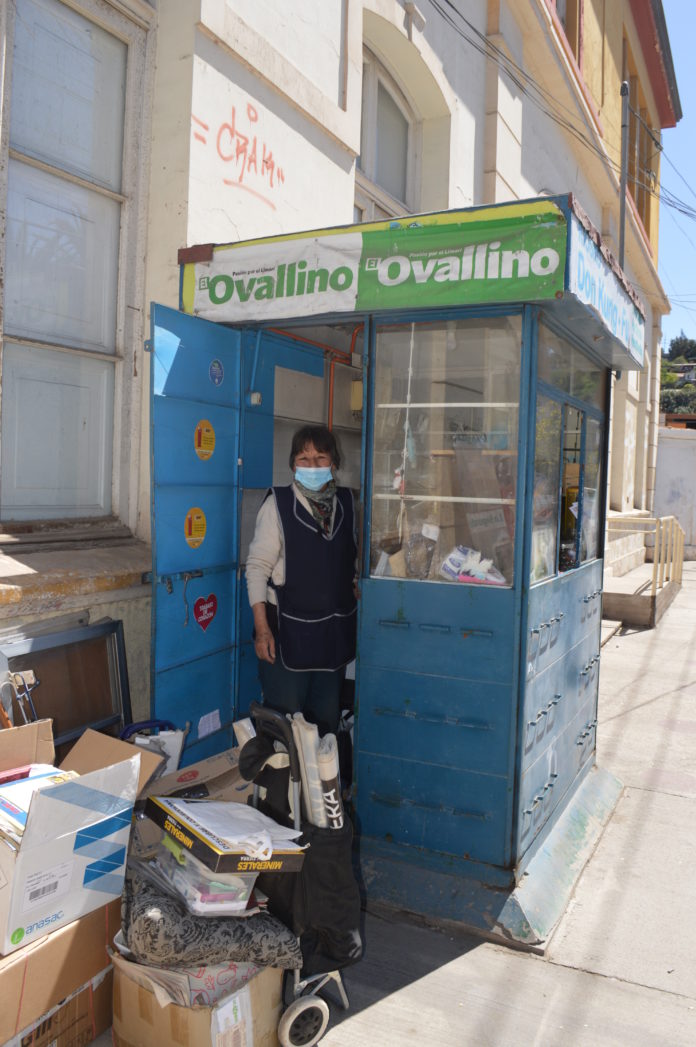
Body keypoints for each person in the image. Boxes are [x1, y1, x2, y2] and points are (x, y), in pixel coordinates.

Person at [246, 424, 357, 737]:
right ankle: (281, 786)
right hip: (287, 639)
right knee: (284, 726)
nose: (312, 466)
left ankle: (322, 787)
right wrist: (263, 630)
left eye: (320, 458)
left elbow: (350, 559)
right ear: (293, 464)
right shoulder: (277, 506)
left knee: (325, 725)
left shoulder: (348, 505)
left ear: (334, 463)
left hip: (332, 638)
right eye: (304, 459)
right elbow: (256, 569)